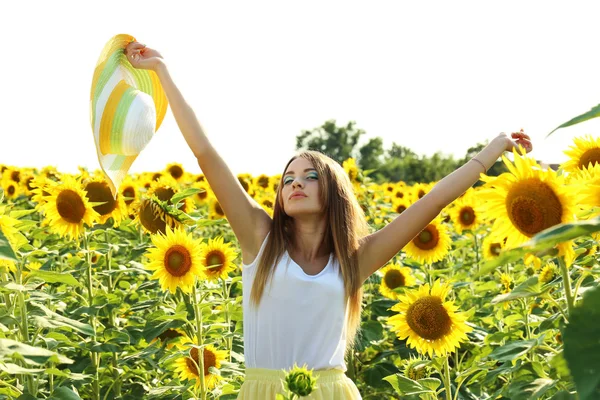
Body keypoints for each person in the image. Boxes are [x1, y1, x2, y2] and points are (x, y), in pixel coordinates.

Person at [125, 41, 533, 399]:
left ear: (334, 192)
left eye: (309, 176)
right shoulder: (259, 241)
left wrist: (493, 149)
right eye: (287, 179)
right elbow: (206, 152)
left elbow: (435, 202)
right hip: (264, 392)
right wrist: (162, 70)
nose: (294, 183)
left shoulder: (353, 260)